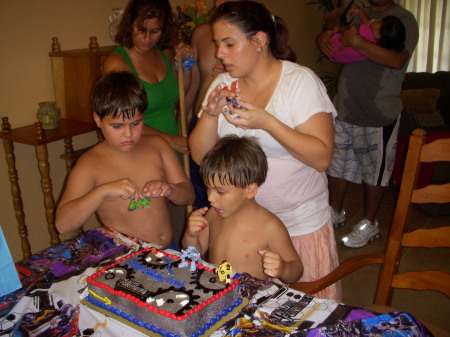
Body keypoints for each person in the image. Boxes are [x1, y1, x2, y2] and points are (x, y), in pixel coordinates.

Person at [189, 1, 340, 300]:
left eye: (229, 44)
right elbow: (200, 157)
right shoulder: (223, 83)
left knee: (299, 318)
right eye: (218, 44)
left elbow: (322, 157)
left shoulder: (299, 82)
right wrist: (210, 115)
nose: (219, 53)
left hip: (297, 227)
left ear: (259, 40)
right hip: (237, 228)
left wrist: (268, 122)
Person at [316, 0, 418, 248]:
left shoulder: (402, 19)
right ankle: (335, 212)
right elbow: (335, 40)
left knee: (376, 174)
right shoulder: (358, 15)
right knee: (337, 167)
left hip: (378, 114)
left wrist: (357, 41)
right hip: (345, 108)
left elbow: (397, 60)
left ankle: (369, 223)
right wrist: (324, 37)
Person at [55, 72, 195, 248]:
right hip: (126, 259)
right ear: (98, 119)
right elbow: (63, 224)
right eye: (117, 126)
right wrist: (103, 191)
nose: (128, 134)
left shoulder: (158, 146)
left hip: (168, 250)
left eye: (136, 123)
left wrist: (171, 189)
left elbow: (189, 196)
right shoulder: (89, 164)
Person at [182, 135, 303, 284]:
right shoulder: (213, 214)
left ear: (250, 190)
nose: (210, 198)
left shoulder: (269, 226)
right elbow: (194, 253)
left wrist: (283, 268)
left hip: (248, 300)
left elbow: (297, 269)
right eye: (208, 188)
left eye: (220, 191)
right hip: (216, 293)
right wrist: (191, 235)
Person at [103, 0, 192, 155]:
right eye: (141, 29)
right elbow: (121, 121)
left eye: (155, 31)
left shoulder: (166, 53)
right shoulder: (117, 63)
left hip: (172, 148)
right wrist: (170, 141)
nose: (147, 38)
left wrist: (187, 63)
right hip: (140, 151)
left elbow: (180, 93)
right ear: (130, 24)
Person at [327, 7, 406, 64]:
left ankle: (329, 20)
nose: (376, 20)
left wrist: (342, 29)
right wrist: (360, 12)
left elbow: (353, 29)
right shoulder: (376, 43)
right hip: (337, 57)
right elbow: (368, 22)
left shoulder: (367, 34)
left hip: (334, 48)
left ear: (378, 33)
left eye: (379, 22)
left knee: (335, 30)